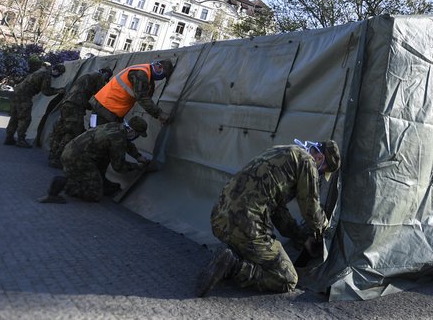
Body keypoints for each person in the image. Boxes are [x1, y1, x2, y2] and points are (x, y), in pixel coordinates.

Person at [195, 139, 341, 297]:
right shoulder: (307, 162)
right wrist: (324, 229)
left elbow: (278, 211)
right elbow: (311, 209)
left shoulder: (282, 151)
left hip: (219, 219)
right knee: (288, 278)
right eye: (323, 169)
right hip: (245, 226)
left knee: (255, 242)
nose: (320, 173)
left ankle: (232, 252)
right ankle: (234, 266)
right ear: (320, 158)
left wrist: (301, 238)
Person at [38, 116, 150, 204]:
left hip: (71, 151)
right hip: (79, 159)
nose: (137, 137)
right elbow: (119, 167)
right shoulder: (117, 138)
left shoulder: (116, 127)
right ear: (131, 131)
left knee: (104, 157)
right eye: (137, 135)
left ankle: (87, 180)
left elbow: (127, 144)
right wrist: (137, 166)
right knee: (94, 195)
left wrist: (138, 156)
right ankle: (69, 185)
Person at [47, 67, 113, 168]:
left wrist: (87, 105)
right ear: (105, 73)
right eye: (106, 77)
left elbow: (82, 92)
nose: (104, 80)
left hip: (67, 103)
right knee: (73, 132)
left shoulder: (86, 75)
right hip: (76, 106)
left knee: (61, 129)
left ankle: (52, 154)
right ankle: (58, 158)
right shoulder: (98, 76)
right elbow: (100, 94)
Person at [88, 59, 174, 126]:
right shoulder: (141, 74)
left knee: (99, 138)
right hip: (105, 108)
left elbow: (147, 97)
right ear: (159, 66)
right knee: (95, 138)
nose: (162, 78)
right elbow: (142, 98)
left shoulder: (145, 73)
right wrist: (159, 114)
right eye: (163, 75)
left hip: (107, 108)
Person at [4, 62, 66, 148]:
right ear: (56, 71)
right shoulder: (46, 75)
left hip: (16, 93)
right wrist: (59, 90)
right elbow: (46, 91)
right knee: (25, 118)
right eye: (60, 74)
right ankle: (21, 140)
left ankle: (9, 137)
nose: (59, 76)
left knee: (14, 116)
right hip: (24, 95)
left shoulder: (40, 71)